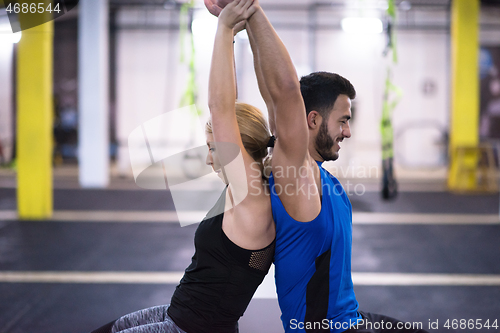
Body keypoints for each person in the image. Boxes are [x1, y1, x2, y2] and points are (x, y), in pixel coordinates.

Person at [241, 1, 429, 332]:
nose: (348, 131)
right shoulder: (297, 177)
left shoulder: (320, 178)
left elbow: (275, 100)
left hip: (349, 320)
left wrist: (245, 23)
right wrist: (251, 9)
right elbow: (282, 92)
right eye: (342, 121)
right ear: (312, 119)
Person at [89, 1, 275, 333]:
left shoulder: (251, 196)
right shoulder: (247, 189)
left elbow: (221, 106)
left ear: (238, 147)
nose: (208, 158)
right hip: (182, 313)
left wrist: (225, 27)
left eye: (212, 147)